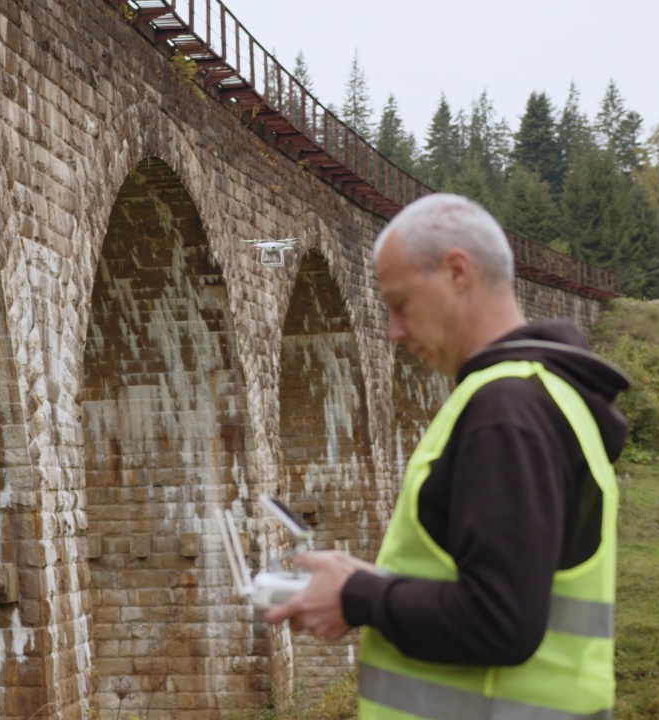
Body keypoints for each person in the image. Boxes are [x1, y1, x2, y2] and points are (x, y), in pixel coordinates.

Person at [265, 193, 629, 719]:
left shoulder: (507, 411)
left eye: (400, 303)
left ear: (457, 272)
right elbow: (501, 584)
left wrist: (360, 597)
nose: (393, 330)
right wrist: (366, 582)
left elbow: (500, 621)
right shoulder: (544, 394)